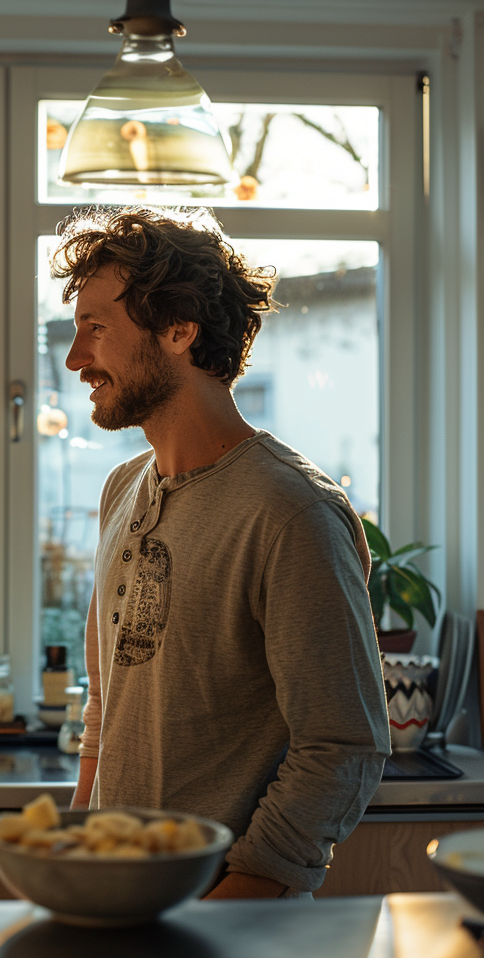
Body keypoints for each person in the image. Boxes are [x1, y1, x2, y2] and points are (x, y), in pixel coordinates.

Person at [53, 206, 390, 899]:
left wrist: (230, 906)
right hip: (114, 906)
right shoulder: (122, 490)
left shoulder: (291, 511)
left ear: (179, 330)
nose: (75, 359)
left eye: (97, 329)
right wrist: (75, 858)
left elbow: (342, 747)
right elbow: (104, 709)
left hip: (224, 924)